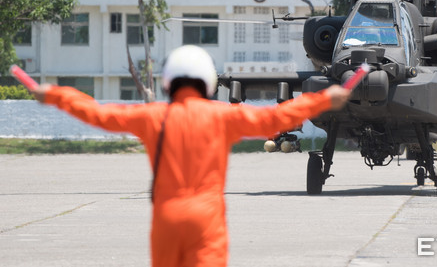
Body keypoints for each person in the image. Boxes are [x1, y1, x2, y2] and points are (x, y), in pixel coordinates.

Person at [31, 45, 350, 267]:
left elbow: (98, 114)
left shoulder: (152, 117)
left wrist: (54, 95)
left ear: (168, 81)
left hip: (166, 218)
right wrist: (323, 100)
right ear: (208, 81)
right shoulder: (222, 116)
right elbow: (273, 118)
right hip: (206, 219)